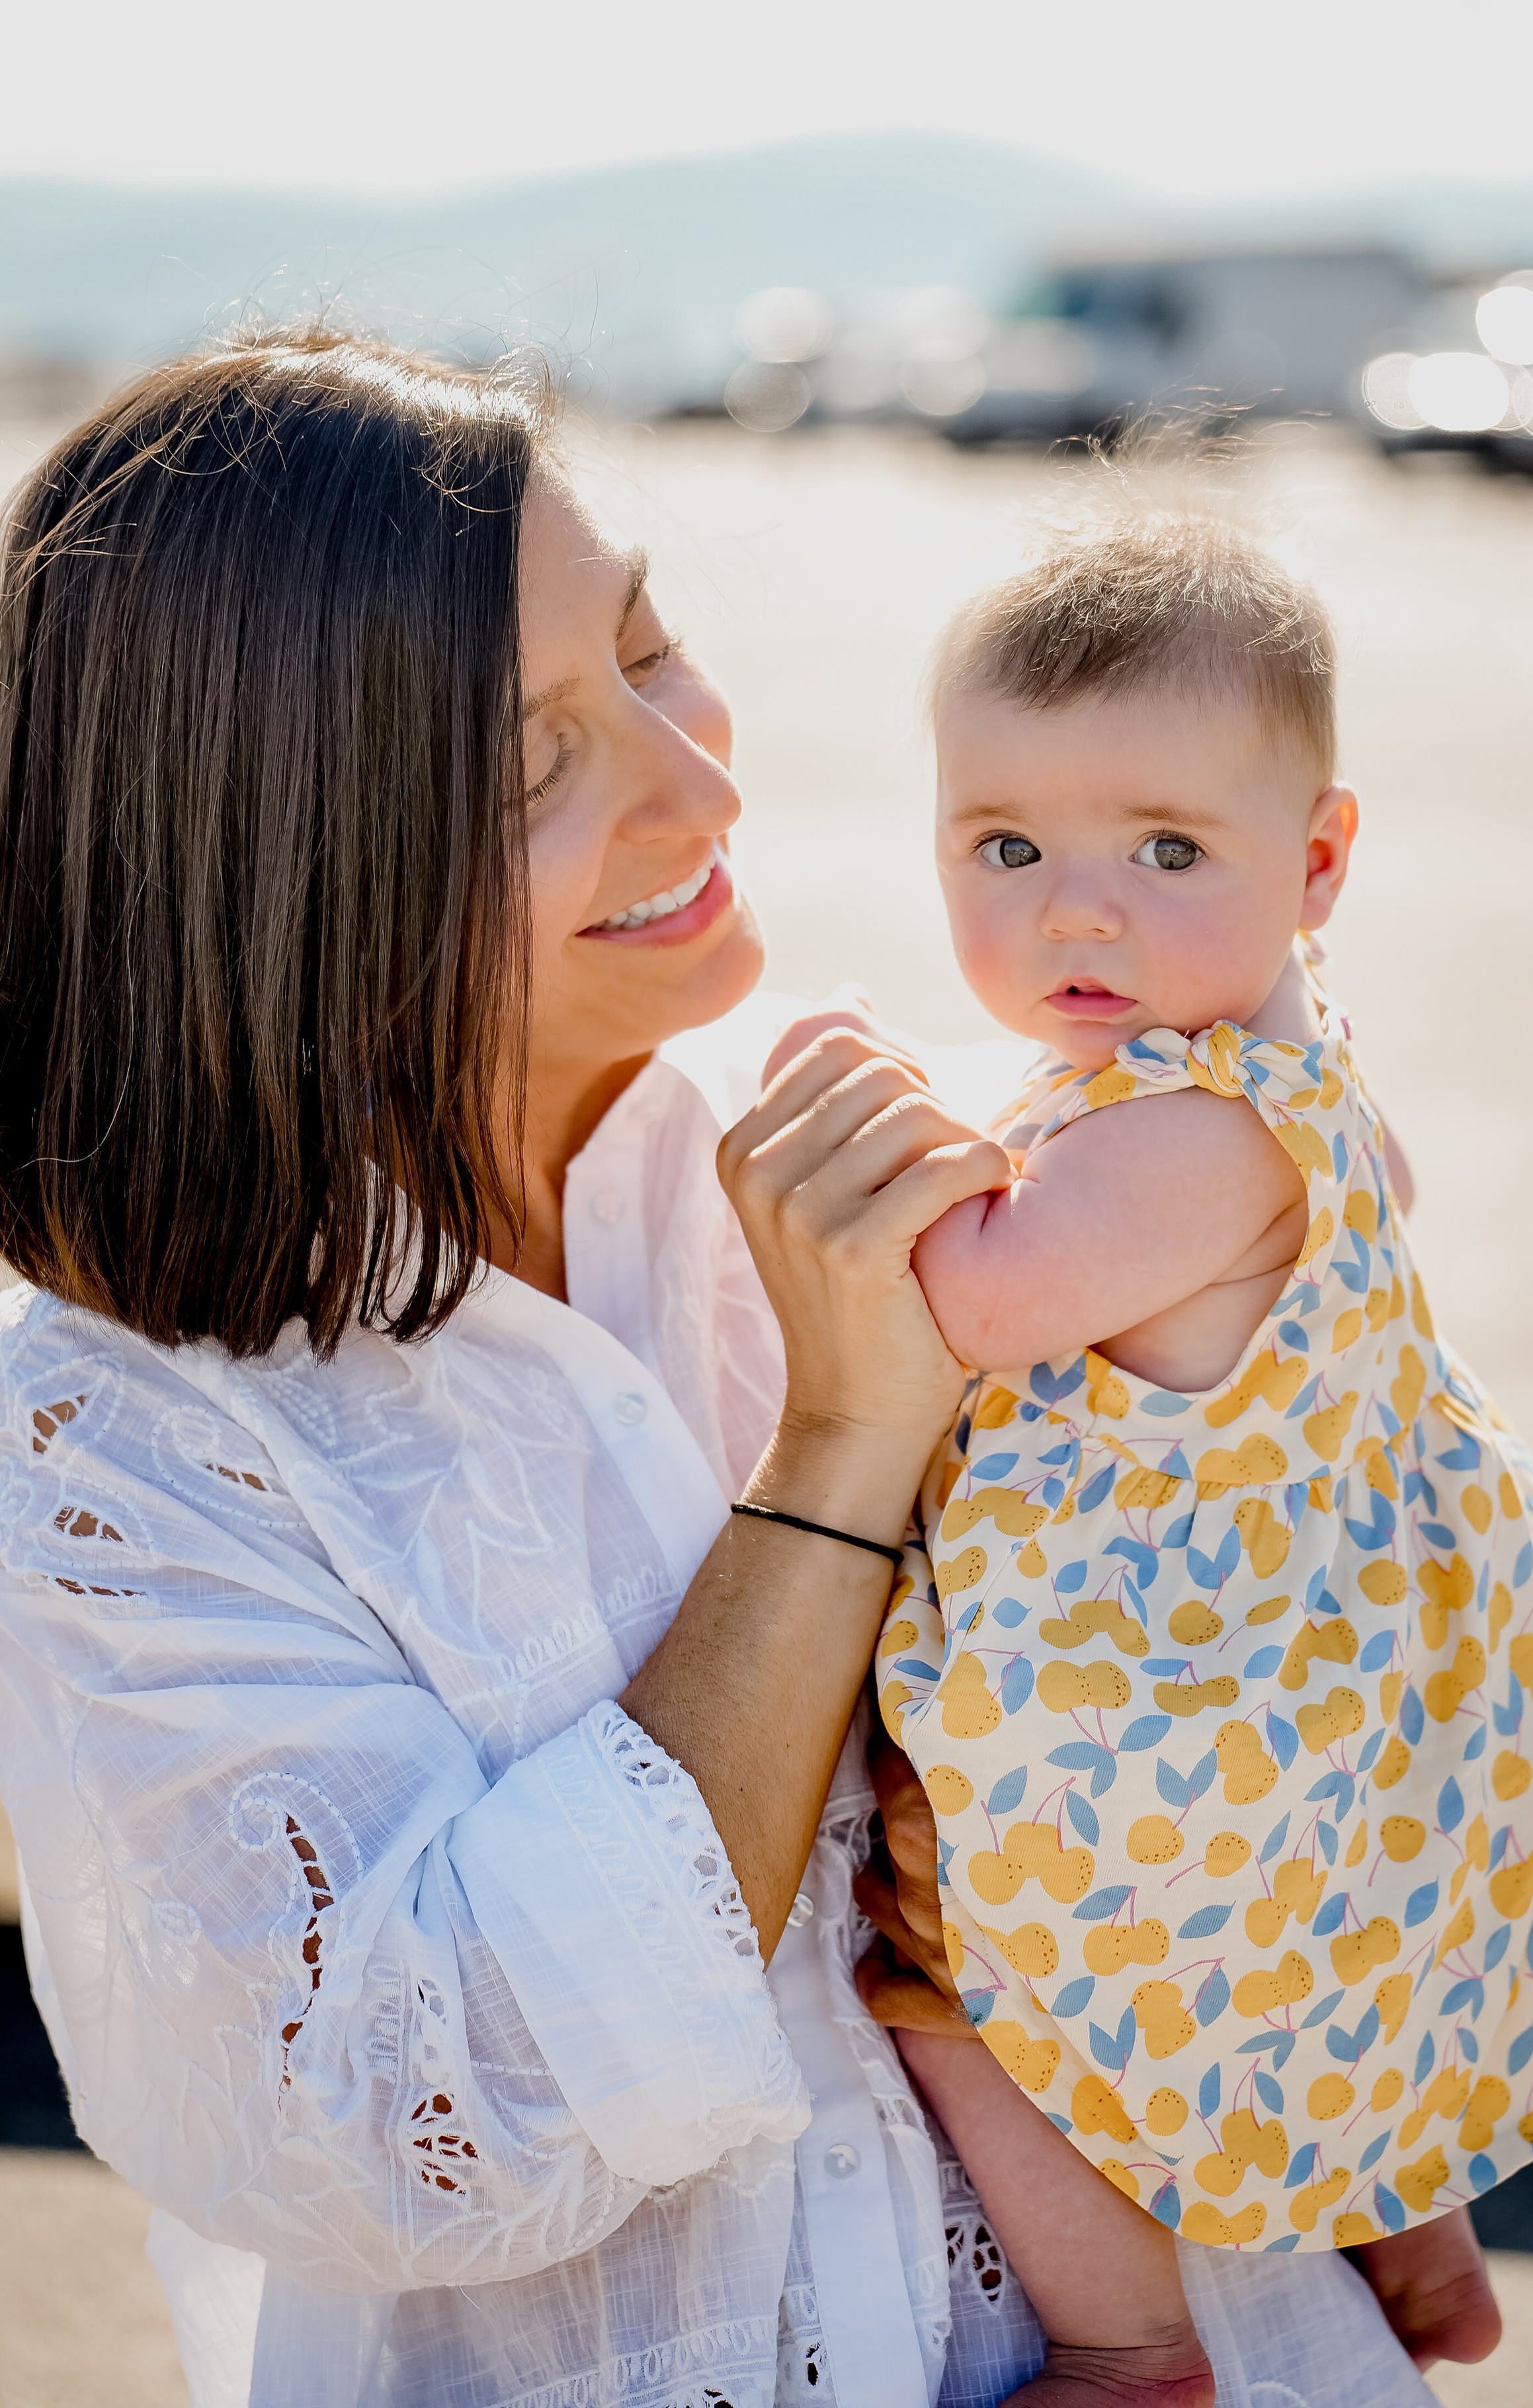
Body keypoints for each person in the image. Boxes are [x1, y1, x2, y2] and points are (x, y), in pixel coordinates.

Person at [0, 327, 1040, 2408]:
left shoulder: (847, 1141)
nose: (704, 785)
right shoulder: (119, 1444)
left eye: (652, 647)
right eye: (532, 767)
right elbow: (424, 2121)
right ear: (282, 891)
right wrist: (839, 1455)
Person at [844, 507, 1533, 2404]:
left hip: (1156, 1722)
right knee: (1334, 1976)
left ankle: (1128, 2342)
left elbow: (965, 1303)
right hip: (1309, 1671)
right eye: (1006, 847)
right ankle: (1415, 2234)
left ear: (1317, 862)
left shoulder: (1182, 1135)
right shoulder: (1297, 1072)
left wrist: (867, 1148)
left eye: (1164, 850)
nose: (1077, 910)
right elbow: (1378, 1189)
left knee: (966, 2001)